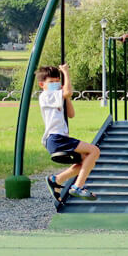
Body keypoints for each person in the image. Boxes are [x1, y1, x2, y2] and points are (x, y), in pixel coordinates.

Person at [38, 64, 100, 200]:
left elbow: (71, 114)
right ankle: (78, 187)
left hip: (59, 138)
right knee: (94, 151)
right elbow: (68, 92)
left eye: (57, 81)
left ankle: (56, 179)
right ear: (42, 84)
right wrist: (65, 73)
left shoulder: (57, 96)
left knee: (87, 161)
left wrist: (65, 97)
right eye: (51, 82)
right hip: (55, 138)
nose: (55, 84)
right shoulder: (46, 95)